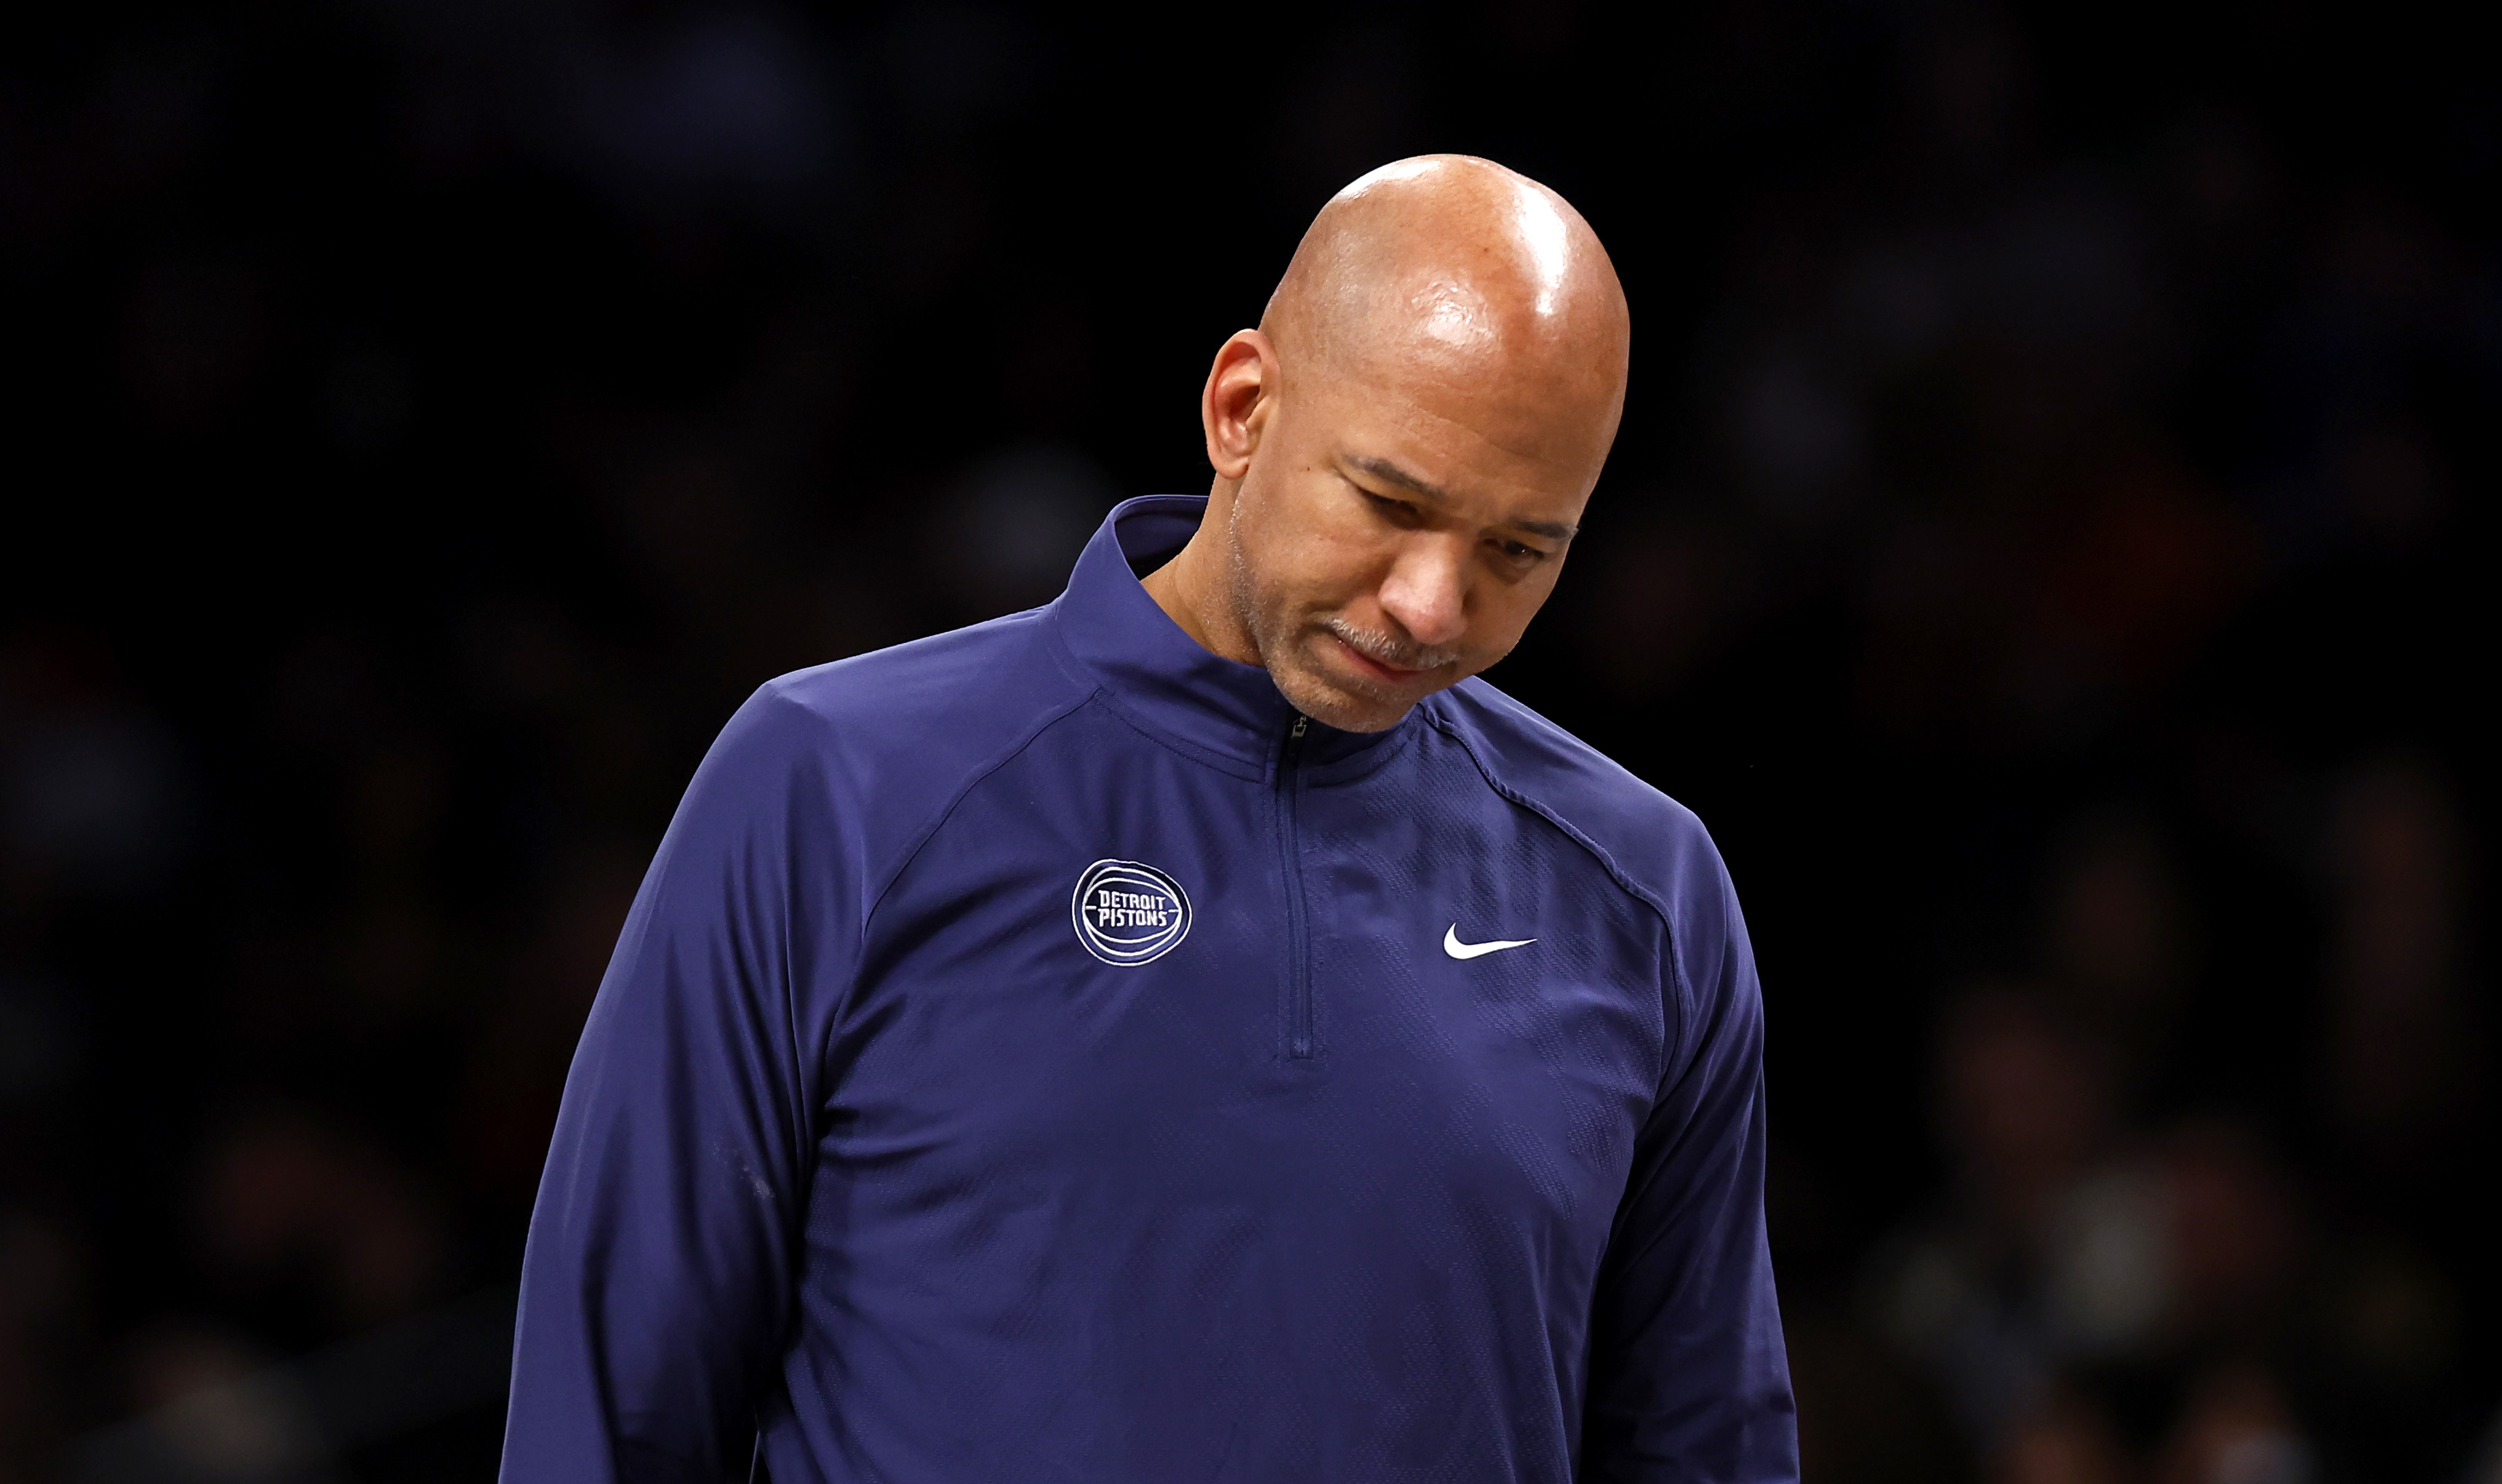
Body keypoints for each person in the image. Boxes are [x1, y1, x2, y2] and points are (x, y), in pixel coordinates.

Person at [501, 155, 1797, 1483]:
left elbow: (1703, 1451)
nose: (1431, 604)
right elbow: (606, 1420)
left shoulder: (1644, 894)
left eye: (1516, 550)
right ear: (1242, 407)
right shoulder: (833, 785)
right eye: (1390, 502)